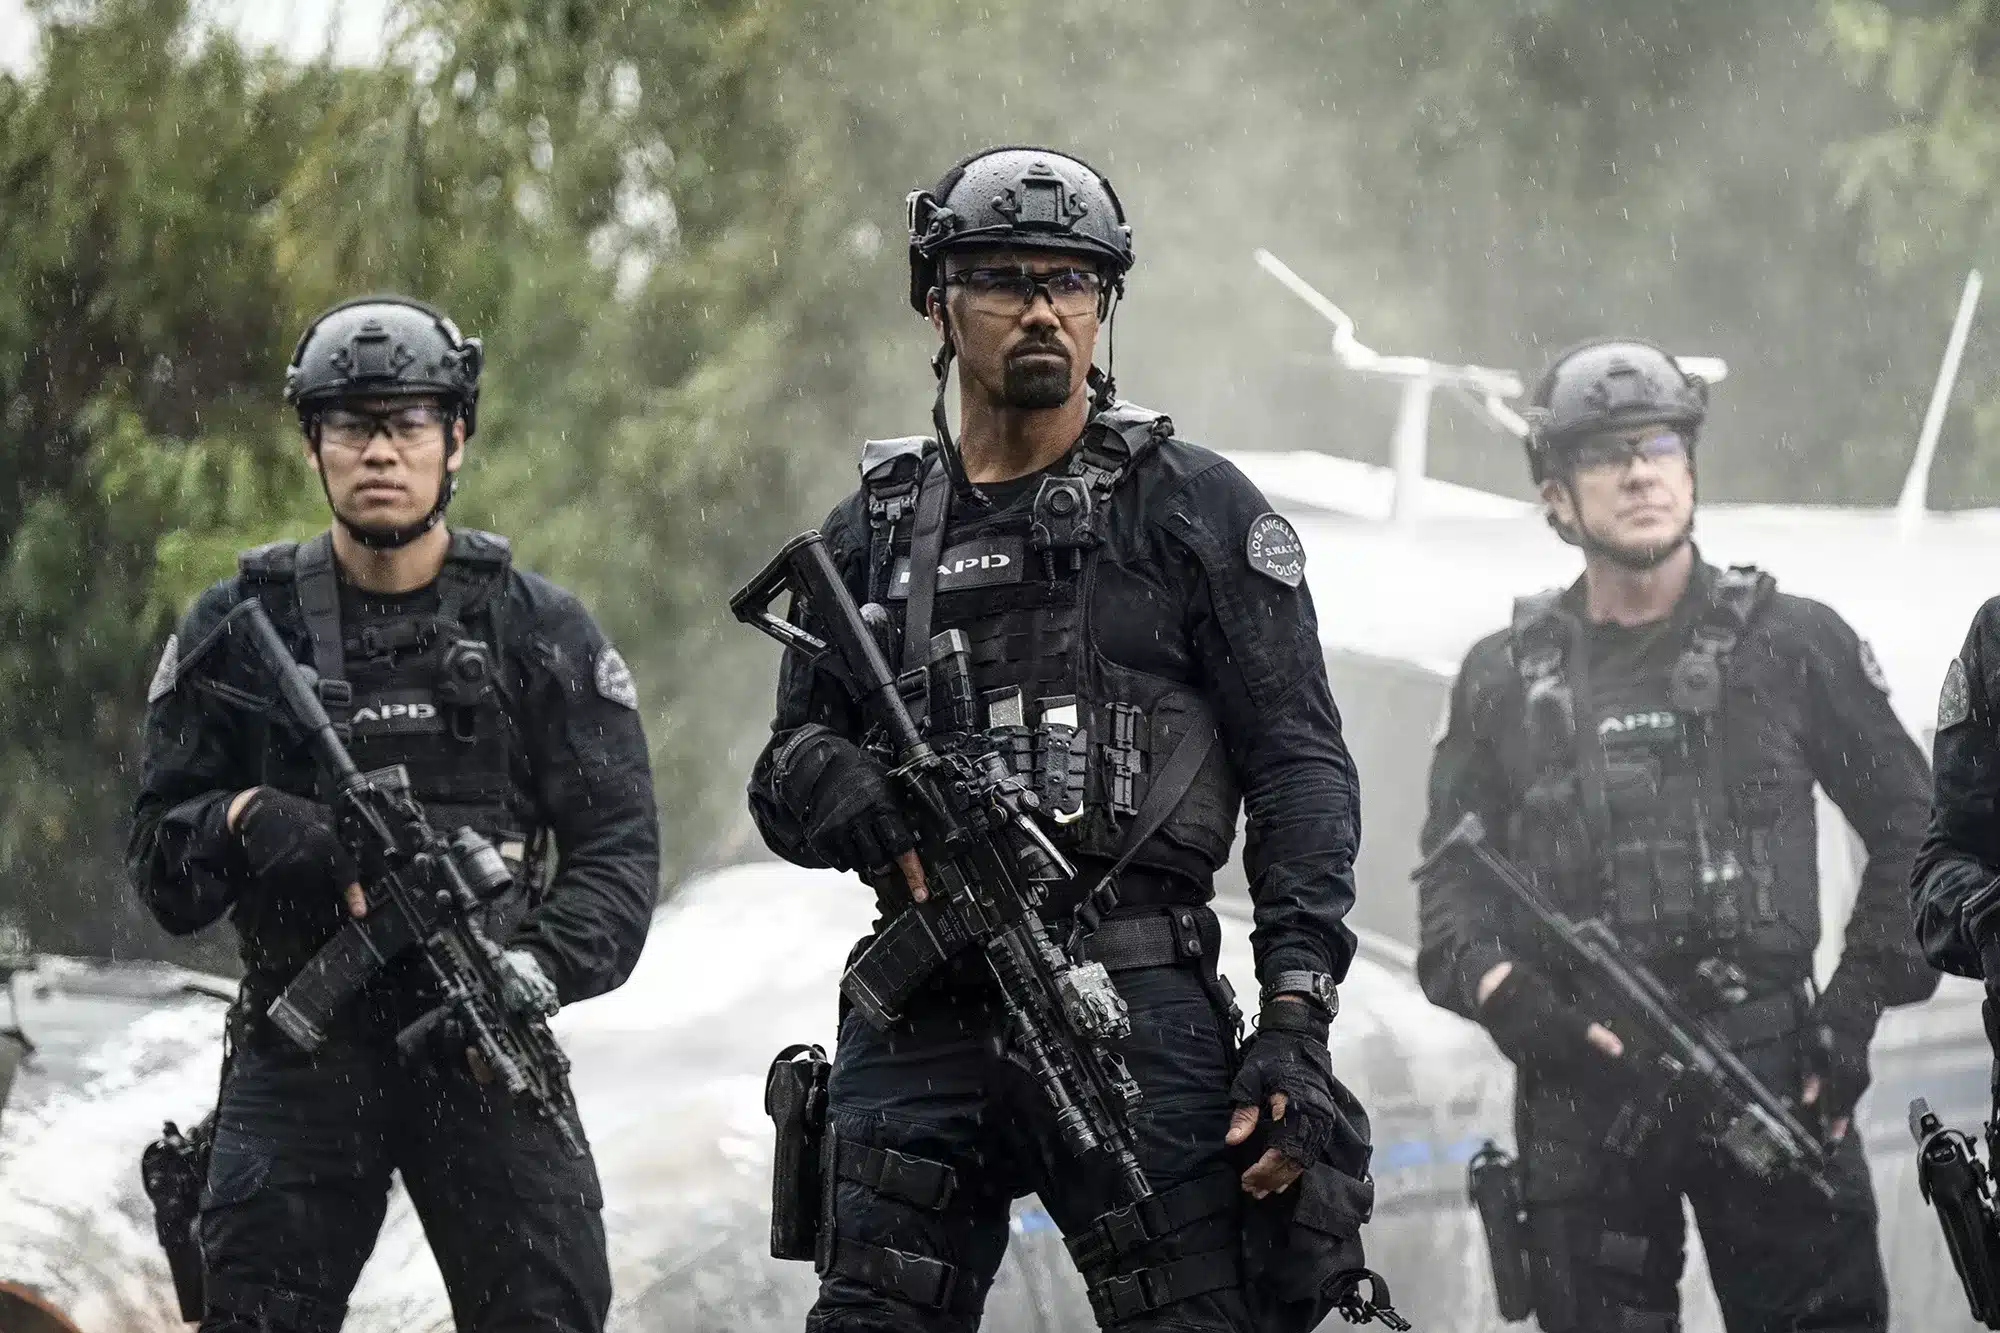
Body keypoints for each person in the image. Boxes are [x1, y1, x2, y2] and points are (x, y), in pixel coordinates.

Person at [746, 145, 1382, 1333]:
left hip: (1133, 997)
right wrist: (841, 789)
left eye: (1071, 282)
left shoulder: (1188, 509)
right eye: (1002, 279)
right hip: (924, 1001)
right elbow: (782, 771)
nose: (1041, 309)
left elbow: (1298, 767)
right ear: (936, 302)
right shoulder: (873, 535)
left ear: (1103, 304)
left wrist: (1296, 1023)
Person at [128, 295, 659, 1333]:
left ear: (455, 438)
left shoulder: (535, 629)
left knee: (546, 1309)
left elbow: (618, 856)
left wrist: (533, 969)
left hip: (481, 1040)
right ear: (312, 444)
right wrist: (245, 818)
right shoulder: (239, 628)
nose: (380, 449)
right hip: (302, 1046)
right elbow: (159, 863)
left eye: (409, 420)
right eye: (350, 423)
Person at [1416, 337, 1938, 1333]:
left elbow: (1916, 827)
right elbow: (1448, 886)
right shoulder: (1502, 676)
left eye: (1659, 445)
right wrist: (1504, 991)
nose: (1640, 472)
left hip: (1772, 1076)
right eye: (1605, 453)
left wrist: (1854, 1005)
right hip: (1584, 1087)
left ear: (1690, 468)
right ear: (1555, 497)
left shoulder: (1792, 643)